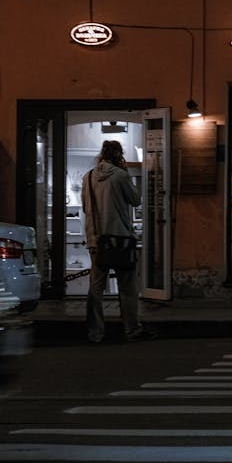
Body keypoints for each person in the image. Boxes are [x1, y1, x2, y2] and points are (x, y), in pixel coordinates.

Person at [81, 139, 151, 343]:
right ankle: (131, 329)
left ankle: (95, 333)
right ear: (119, 155)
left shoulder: (88, 177)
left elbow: (86, 207)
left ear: (101, 155)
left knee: (96, 288)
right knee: (128, 287)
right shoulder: (120, 175)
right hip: (119, 239)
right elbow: (136, 200)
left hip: (96, 240)